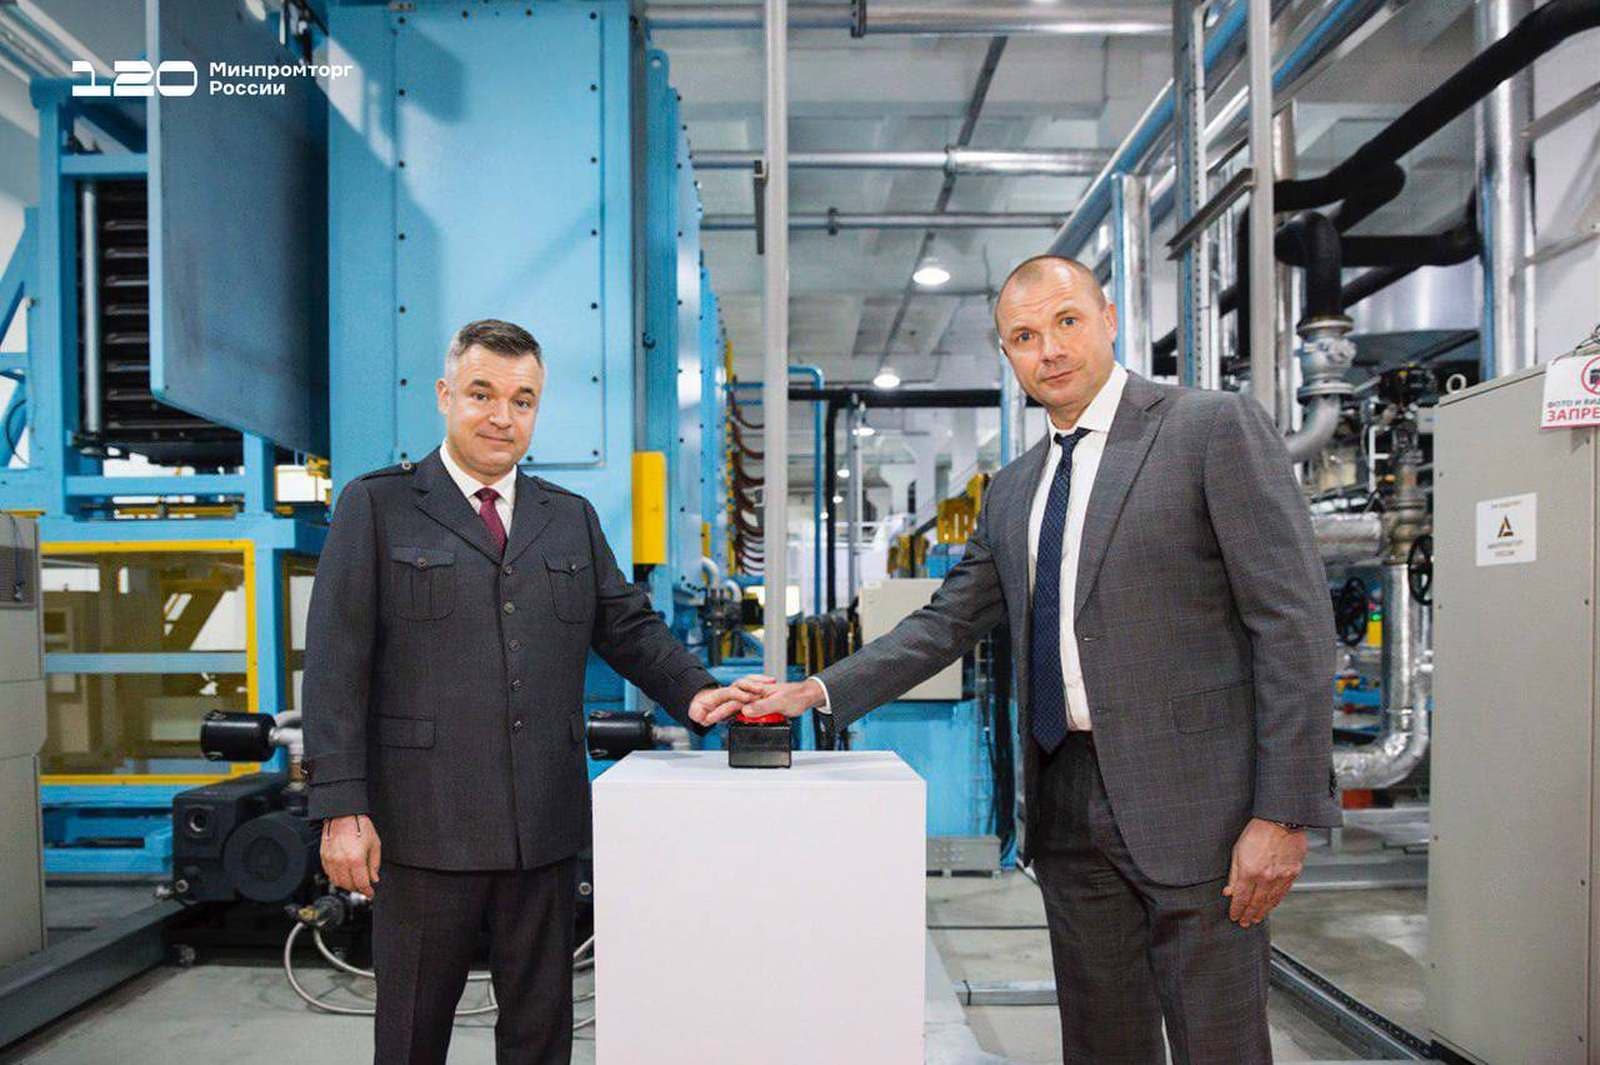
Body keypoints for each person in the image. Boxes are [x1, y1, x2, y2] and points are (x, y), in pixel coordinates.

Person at [717, 257, 1341, 1064]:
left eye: (1066, 321)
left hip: (1199, 807)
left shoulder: (1209, 428)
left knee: (1218, 1043)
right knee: (1101, 1044)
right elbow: (945, 622)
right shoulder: (1013, 489)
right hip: (1065, 799)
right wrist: (816, 688)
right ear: (1007, 354)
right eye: (1024, 336)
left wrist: (1283, 812)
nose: (1049, 349)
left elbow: (1293, 624)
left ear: (1108, 319)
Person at [303, 319, 763, 1065]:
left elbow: (627, 625)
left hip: (541, 828)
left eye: (522, 401)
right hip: (423, 827)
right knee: (413, 1035)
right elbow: (334, 666)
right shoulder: (378, 506)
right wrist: (340, 807)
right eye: (482, 394)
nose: (502, 417)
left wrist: (697, 690)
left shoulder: (568, 517)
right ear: (445, 395)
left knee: (541, 1037)